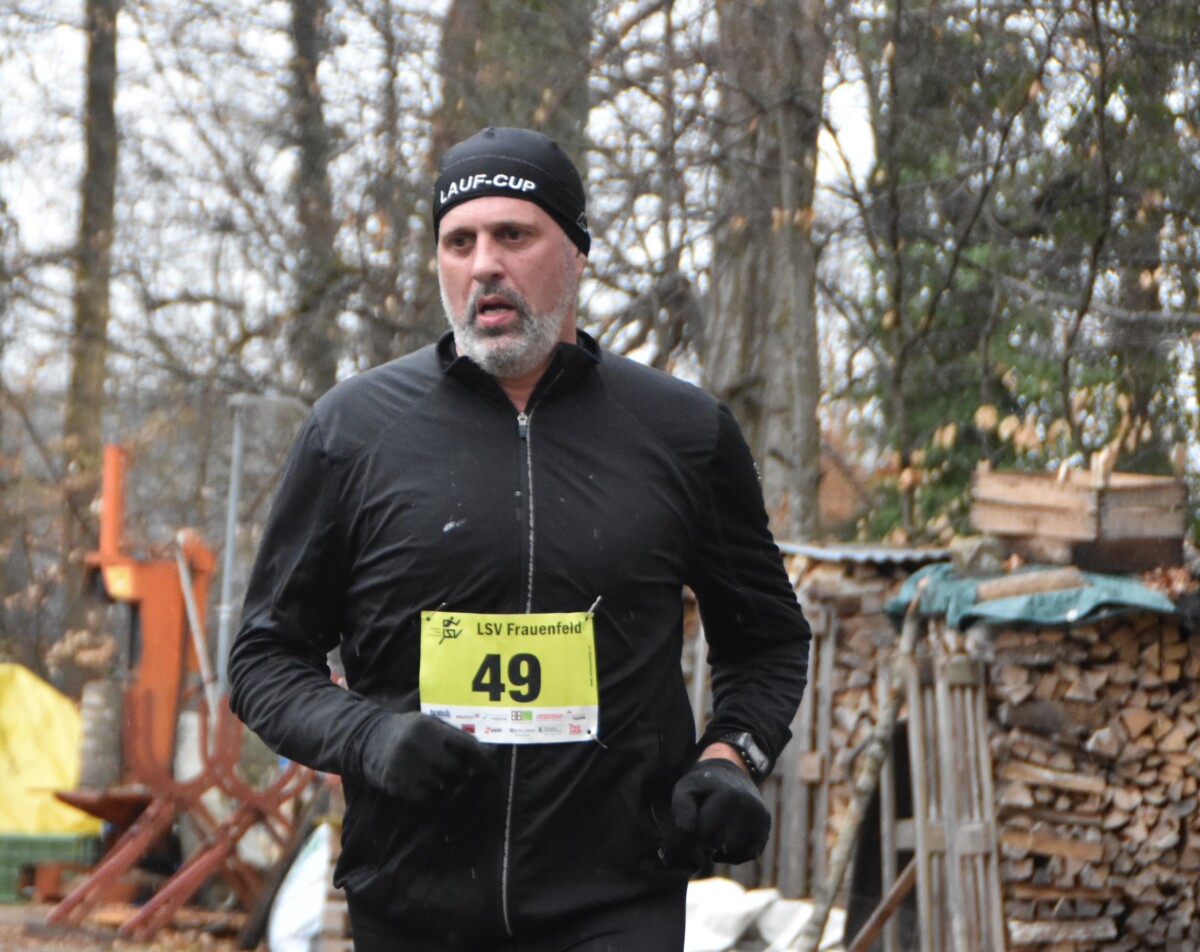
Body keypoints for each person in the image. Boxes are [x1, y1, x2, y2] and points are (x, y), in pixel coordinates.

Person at [228, 126, 811, 952]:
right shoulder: (352, 432)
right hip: (413, 901)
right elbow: (263, 660)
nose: (484, 265)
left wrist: (730, 756)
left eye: (513, 235)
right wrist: (369, 736)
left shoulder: (684, 433)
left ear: (576, 252)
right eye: (459, 242)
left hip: (618, 903)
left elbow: (768, 641)